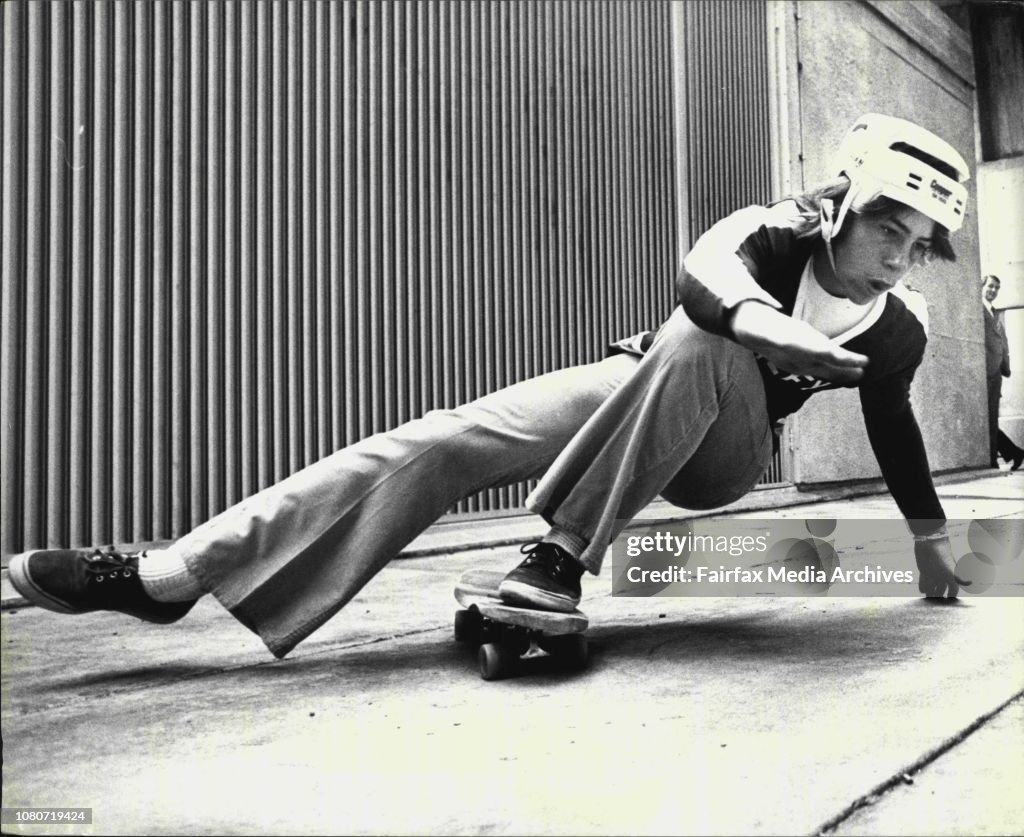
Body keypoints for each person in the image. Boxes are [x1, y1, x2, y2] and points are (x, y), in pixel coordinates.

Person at [10, 113, 972, 659]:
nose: (898, 257)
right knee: (448, 434)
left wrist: (931, 550)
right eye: (888, 227)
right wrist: (776, 328)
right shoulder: (778, 229)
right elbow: (705, 273)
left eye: (918, 244)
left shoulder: (898, 330)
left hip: (722, 447)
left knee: (707, 347)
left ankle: (556, 558)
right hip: (643, 376)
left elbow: (895, 430)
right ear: (844, 201)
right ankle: (170, 575)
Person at [981, 274, 1024, 470]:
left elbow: (1002, 342)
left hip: (995, 374)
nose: (993, 291)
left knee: (991, 418)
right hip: (984, 374)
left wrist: (1005, 367)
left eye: (997, 288)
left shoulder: (994, 312)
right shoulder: (978, 310)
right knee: (987, 419)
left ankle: (1012, 453)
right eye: (990, 286)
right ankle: (1009, 454)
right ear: (981, 286)